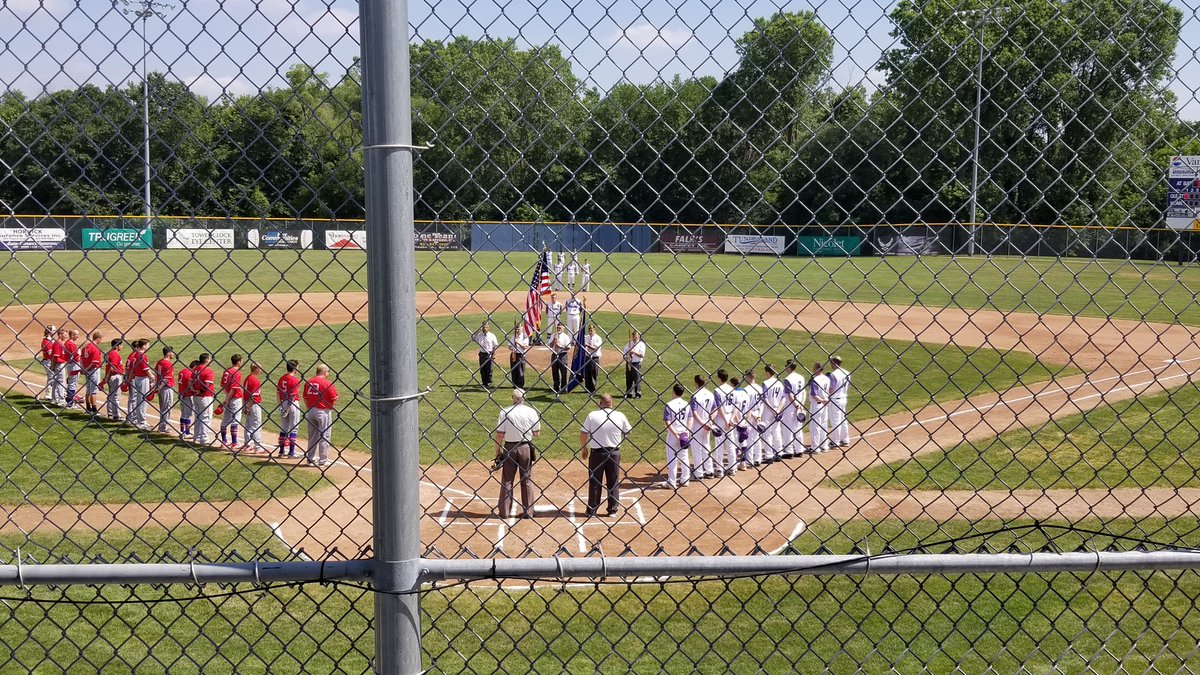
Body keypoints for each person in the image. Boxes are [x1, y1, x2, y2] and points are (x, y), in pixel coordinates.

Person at [580, 393, 631, 516]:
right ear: (612, 403)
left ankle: (592, 510)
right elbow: (628, 432)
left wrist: (584, 448)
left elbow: (583, 433)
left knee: (595, 481)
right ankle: (612, 510)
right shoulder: (620, 415)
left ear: (600, 403)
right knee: (613, 481)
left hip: (597, 453)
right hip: (614, 453)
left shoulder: (592, 415)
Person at [492, 388, 541, 519]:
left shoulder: (505, 412)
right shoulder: (531, 411)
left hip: (509, 448)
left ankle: (504, 511)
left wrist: (497, 452)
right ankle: (529, 512)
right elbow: (537, 433)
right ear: (524, 398)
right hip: (525, 447)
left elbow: (499, 435)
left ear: (512, 398)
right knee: (526, 479)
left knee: (507, 479)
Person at [303, 364, 339, 466]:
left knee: (312, 436)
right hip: (323, 411)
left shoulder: (309, 382)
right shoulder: (327, 383)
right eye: (328, 372)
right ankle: (323, 460)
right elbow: (334, 398)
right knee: (324, 435)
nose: (329, 374)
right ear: (324, 372)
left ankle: (310, 459)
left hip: (310, 410)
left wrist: (310, 408)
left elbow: (305, 397)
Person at [663, 383, 692, 488]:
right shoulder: (686, 404)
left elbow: (667, 421)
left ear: (673, 392)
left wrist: (675, 433)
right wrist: (687, 431)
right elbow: (690, 418)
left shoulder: (669, 404)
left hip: (673, 435)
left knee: (672, 458)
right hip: (684, 434)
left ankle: (672, 481)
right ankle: (685, 479)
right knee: (684, 457)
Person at [689, 374, 716, 479]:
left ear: (696, 383)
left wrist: (703, 423)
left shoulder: (695, 395)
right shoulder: (710, 394)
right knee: (706, 447)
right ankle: (709, 471)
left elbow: (694, 413)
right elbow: (715, 409)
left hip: (697, 426)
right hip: (707, 425)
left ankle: (698, 473)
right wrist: (709, 421)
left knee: (696, 449)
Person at [760, 364, 787, 463]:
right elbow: (783, 398)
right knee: (776, 431)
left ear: (767, 372)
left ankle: (769, 455)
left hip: (768, 410)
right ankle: (779, 452)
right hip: (778, 409)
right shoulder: (780, 383)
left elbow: (765, 398)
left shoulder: (765, 383)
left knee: (767, 432)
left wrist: (772, 410)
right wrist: (778, 410)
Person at [126, 340, 155, 430]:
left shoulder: (136, 355)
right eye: (147, 345)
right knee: (143, 400)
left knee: (139, 400)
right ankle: (141, 422)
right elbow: (145, 369)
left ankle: (140, 420)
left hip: (137, 378)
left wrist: (129, 378)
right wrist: (152, 376)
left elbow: (134, 369)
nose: (148, 347)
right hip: (143, 379)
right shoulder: (142, 355)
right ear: (143, 346)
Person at [712, 369, 737, 476]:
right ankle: (732, 468)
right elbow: (736, 406)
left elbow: (719, 407)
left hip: (721, 419)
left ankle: (719, 469)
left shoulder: (717, 390)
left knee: (719, 445)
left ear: (719, 378)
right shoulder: (733, 390)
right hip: (730, 416)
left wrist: (726, 420)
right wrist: (731, 419)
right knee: (731, 444)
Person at [781, 361, 807, 457]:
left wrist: (796, 405)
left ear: (789, 367)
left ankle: (789, 451)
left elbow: (790, 396)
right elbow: (804, 393)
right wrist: (801, 405)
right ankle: (799, 450)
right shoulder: (801, 377)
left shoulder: (787, 379)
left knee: (788, 428)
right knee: (798, 428)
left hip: (791, 407)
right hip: (800, 405)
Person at [277, 360, 302, 457]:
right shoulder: (295, 380)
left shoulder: (281, 378)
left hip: (283, 403)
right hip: (292, 404)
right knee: (294, 428)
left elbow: (278, 393)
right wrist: (287, 408)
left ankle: (281, 451)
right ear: (295, 368)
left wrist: (281, 407)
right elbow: (292, 395)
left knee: (283, 428)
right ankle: (291, 453)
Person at [240, 363, 267, 454]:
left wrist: (245, 406)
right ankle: (258, 447)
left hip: (247, 403)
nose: (261, 371)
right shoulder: (255, 380)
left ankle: (248, 445)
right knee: (256, 426)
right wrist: (248, 407)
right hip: (253, 405)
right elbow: (253, 396)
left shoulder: (247, 378)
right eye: (260, 369)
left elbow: (245, 394)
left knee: (248, 425)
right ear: (256, 369)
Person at [219, 354, 245, 449]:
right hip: (235, 399)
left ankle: (224, 440)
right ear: (238, 362)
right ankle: (234, 442)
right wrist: (228, 398)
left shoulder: (226, 371)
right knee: (235, 419)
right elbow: (234, 388)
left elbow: (222, 386)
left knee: (225, 419)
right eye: (241, 361)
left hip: (228, 397)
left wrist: (227, 397)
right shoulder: (237, 372)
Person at [191, 353, 216, 445]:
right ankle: (204, 439)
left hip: (196, 397)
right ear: (206, 360)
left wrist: (194, 390)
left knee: (198, 417)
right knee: (206, 418)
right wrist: (200, 391)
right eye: (209, 359)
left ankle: (196, 437)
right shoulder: (208, 371)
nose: (210, 361)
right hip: (205, 397)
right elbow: (207, 385)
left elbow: (190, 381)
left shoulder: (195, 369)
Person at [828, 355, 853, 447]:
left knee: (835, 421)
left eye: (831, 362)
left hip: (835, 400)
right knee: (843, 420)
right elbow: (849, 386)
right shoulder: (847, 373)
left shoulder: (833, 375)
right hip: (844, 398)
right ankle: (845, 440)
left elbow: (831, 389)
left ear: (834, 363)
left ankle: (835, 441)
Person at [742, 369, 765, 467]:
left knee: (749, 438)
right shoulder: (760, 388)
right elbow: (762, 403)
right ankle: (758, 459)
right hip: (758, 413)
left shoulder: (746, 390)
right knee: (757, 437)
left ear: (748, 377)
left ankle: (750, 460)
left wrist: (754, 416)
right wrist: (759, 415)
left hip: (750, 415)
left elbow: (747, 407)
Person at [808, 362, 832, 453]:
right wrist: (825, 401)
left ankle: (815, 447)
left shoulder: (815, 379)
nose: (812, 369)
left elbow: (814, 395)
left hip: (817, 405)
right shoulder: (827, 379)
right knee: (823, 425)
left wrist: (822, 400)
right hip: (825, 404)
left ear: (817, 368)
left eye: (814, 367)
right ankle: (824, 445)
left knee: (815, 426)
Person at [79, 332, 104, 416]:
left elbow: (81, 359)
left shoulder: (85, 347)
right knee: (93, 391)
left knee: (88, 389)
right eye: (101, 339)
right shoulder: (95, 348)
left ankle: (88, 408)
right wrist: (87, 369)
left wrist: (84, 369)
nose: (101, 341)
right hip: (93, 370)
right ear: (98, 339)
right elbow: (94, 362)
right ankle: (94, 410)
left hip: (87, 371)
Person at [155, 346, 176, 433]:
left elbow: (156, 375)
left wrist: (157, 386)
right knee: (166, 408)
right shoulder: (168, 364)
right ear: (168, 353)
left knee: (163, 408)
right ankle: (163, 427)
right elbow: (166, 378)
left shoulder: (159, 362)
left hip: (160, 387)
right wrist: (160, 387)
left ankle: (162, 426)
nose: (173, 354)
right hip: (166, 388)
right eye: (172, 352)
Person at [473, 321, 499, 389]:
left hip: (489, 353)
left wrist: (493, 354)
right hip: (482, 354)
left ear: (489, 328)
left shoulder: (492, 335)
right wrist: (478, 330)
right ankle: (484, 382)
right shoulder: (479, 335)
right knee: (482, 369)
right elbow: (473, 338)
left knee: (489, 368)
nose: (484, 329)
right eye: (483, 327)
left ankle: (489, 382)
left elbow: (495, 345)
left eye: (486, 327)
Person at [103, 338, 124, 421]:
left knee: (111, 395)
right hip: (115, 376)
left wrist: (107, 377)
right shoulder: (114, 354)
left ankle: (110, 413)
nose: (122, 347)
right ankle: (116, 415)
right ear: (117, 346)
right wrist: (107, 377)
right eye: (121, 345)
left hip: (111, 376)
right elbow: (112, 368)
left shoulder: (109, 353)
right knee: (115, 396)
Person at [622, 330, 647, 399]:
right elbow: (624, 353)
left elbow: (641, 355)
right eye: (633, 337)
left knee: (636, 379)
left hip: (636, 363)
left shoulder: (641, 344)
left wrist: (633, 352)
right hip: (629, 363)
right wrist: (627, 356)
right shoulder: (629, 344)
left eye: (635, 337)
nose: (634, 338)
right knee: (629, 379)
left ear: (638, 336)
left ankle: (638, 394)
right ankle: (629, 393)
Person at [549, 322, 572, 394]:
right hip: (554, 354)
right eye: (557, 328)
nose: (558, 329)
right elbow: (550, 345)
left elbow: (568, 347)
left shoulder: (566, 337)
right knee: (554, 372)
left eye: (560, 328)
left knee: (563, 372)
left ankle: (563, 387)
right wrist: (554, 340)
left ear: (563, 328)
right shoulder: (553, 335)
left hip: (563, 355)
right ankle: (556, 387)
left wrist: (560, 346)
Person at [48, 328, 68, 406]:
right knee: (61, 382)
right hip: (59, 365)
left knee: (56, 382)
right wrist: (52, 366)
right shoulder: (57, 344)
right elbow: (54, 357)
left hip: (60, 364)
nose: (66, 336)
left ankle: (54, 398)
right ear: (60, 335)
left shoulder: (60, 343)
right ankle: (61, 400)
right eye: (65, 335)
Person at [508, 321, 530, 389]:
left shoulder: (525, 336)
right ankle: (515, 384)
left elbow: (525, 346)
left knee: (520, 370)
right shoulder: (513, 336)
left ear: (522, 328)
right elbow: (509, 346)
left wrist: (518, 342)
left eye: (518, 329)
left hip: (521, 355)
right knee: (513, 369)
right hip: (514, 354)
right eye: (516, 329)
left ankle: (520, 385)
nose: (517, 330)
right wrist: (512, 349)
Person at [177, 360, 196, 438]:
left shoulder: (182, 371)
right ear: (194, 367)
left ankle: (182, 431)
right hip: (187, 395)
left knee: (183, 413)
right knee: (188, 414)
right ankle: (187, 433)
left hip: (181, 394)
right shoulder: (190, 373)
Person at [583, 324, 602, 394]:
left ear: (594, 330)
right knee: (587, 373)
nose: (590, 332)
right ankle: (587, 388)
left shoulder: (598, 338)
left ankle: (593, 389)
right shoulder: (586, 337)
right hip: (587, 357)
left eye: (592, 330)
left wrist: (587, 345)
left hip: (594, 358)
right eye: (589, 330)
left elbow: (595, 348)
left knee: (594, 373)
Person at [38, 325, 55, 402]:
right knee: (51, 377)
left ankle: (52, 393)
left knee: (53, 377)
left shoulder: (51, 340)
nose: (55, 332)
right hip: (49, 362)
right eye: (54, 330)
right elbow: (50, 353)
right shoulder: (46, 341)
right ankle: (48, 394)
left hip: (51, 361)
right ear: (49, 331)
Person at [64, 329, 80, 407]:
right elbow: (76, 356)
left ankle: (71, 400)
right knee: (72, 383)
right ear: (72, 335)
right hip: (73, 365)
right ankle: (70, 402)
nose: (78, 336)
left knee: (72, 382)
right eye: (77, 334)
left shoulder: (69, 343)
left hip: (71, 364)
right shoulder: (70, 344)